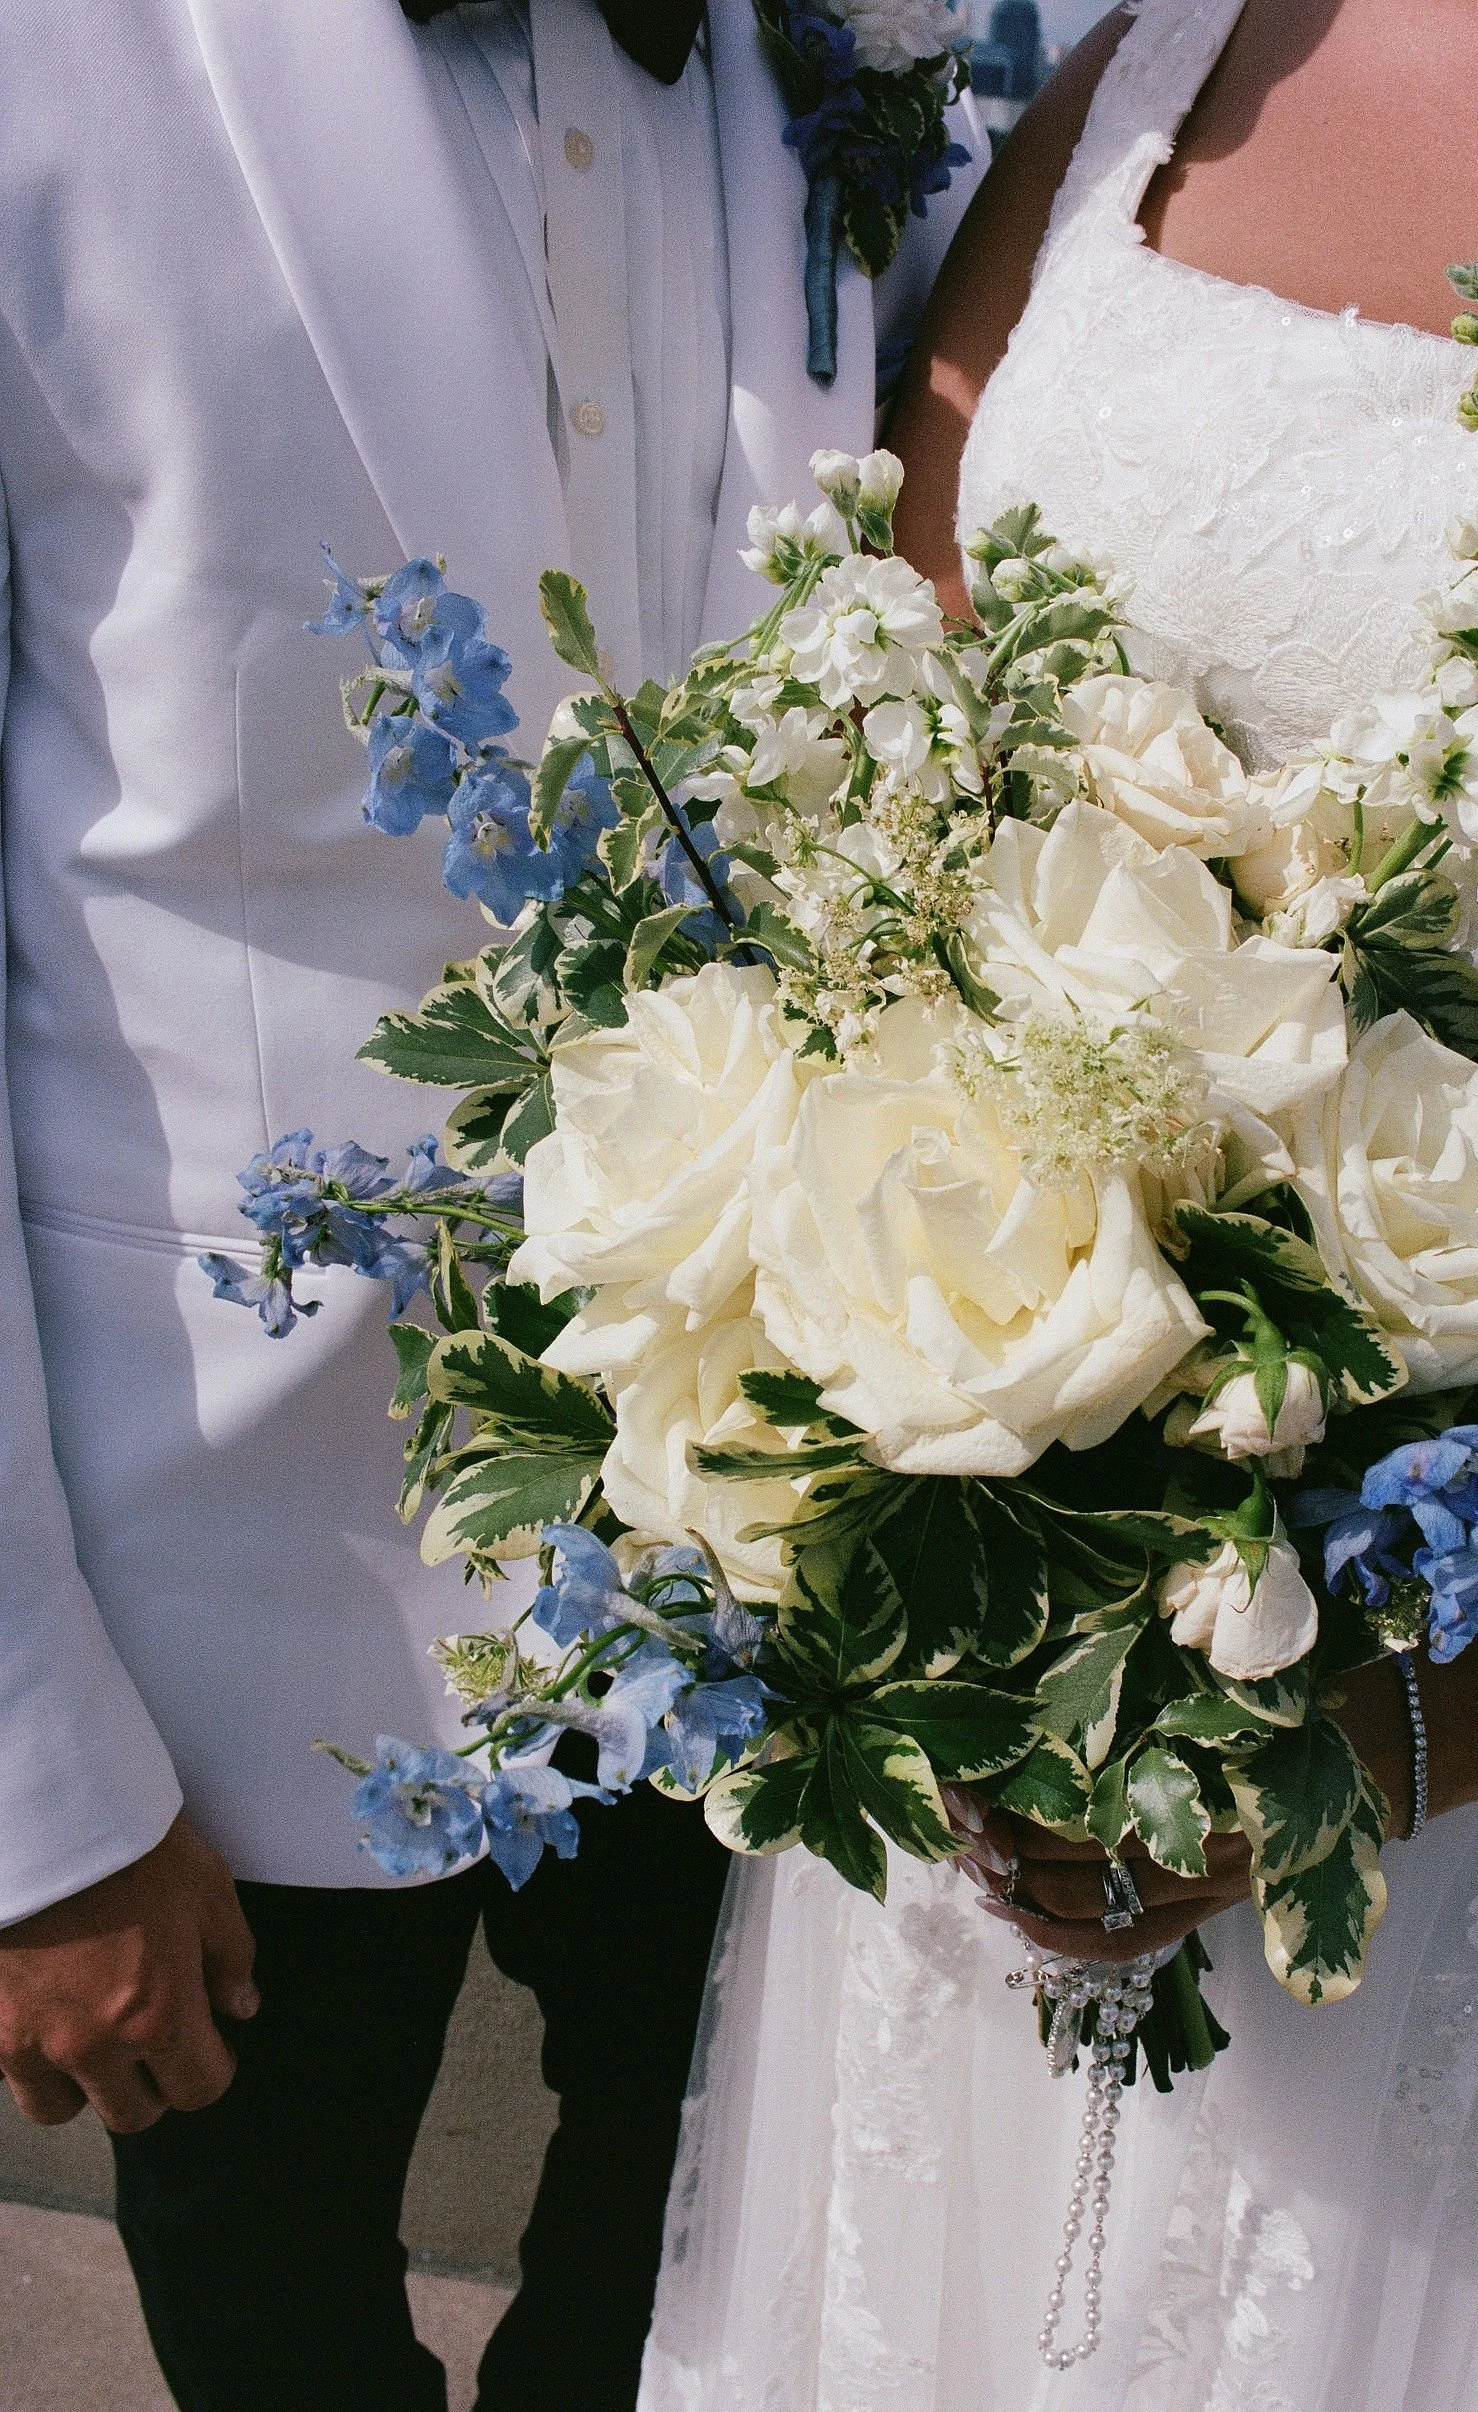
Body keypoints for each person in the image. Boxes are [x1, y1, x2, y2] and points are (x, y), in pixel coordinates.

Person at [638, 4, 1478, 2405]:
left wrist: (1423, 1723)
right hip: (1021, 1745)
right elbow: (884, 803)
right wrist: (895, 1539)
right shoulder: (1190, 40)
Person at [0, 5, 980, 2408]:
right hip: (226, 1616)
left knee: (708, 2319)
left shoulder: (841, 58)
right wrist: (29, 1794)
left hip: (791, 1538)